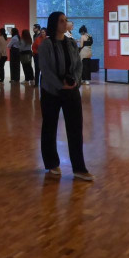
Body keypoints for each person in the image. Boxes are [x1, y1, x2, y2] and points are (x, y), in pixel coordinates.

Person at [38, 11, 94, 181]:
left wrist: (74, 81)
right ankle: (52, 163)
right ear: (54, 24)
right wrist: (60, 85)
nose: (65, 23)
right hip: (51, 91)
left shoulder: (70, 43)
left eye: (66, 20)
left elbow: (78, 65)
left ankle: (79, 168)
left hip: (71, 90)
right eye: (62, 21)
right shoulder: (46, 45)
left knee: (75, 128)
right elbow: (45, 70)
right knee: (49, 127)